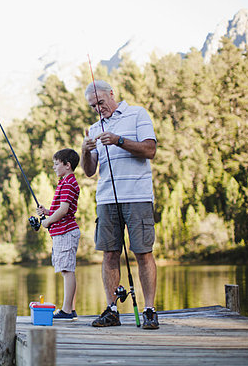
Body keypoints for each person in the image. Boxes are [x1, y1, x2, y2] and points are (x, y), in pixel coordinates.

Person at [81, 80, 159, 330]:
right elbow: (90, 171)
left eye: (101, 102)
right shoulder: (94, 128)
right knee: (110, 253)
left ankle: (149, 310)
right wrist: (85, 151)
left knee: (143, 253)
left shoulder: (138, 114)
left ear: (112, 95)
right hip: (106, 200)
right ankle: (112, 309)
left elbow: (150, 150)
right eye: (93, 106)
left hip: (137, 196)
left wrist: (118, 140)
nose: (98, 109)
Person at [36, 148, 81, 320]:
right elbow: (60, 210)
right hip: (63, 233)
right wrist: (47, 212)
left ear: (67, 165)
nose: (54, 167)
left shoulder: (69, 183)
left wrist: (47, 222)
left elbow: (64, 210)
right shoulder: (64, 182)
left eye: (56, 164)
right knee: (66, 270)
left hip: (66, 233)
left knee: (67, 270)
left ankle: (67, 311)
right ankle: (70, 309)